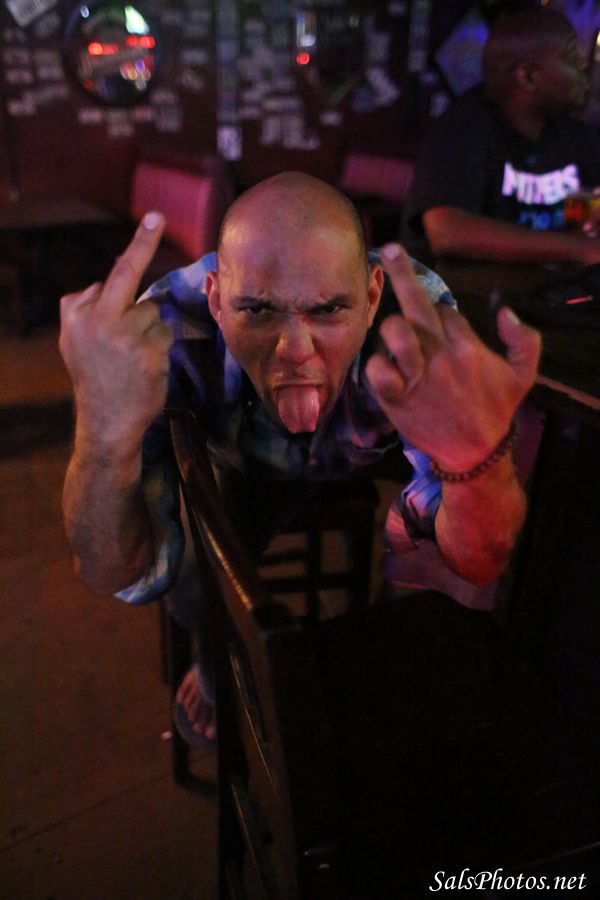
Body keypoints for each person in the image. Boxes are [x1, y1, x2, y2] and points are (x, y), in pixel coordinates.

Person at [59, 172, 540, 745]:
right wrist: (101, 431)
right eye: (258, 310)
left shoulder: (414, 321)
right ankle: (216, 655)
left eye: (329, 309)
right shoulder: (167, 327)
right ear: (215, 299)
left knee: (434, 577)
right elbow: (109, 569)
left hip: (367, 449)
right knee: (196, 572)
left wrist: (478, 459)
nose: (294, 350)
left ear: (372, 296)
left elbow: (478, 559)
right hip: (243, 461)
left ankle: (375, 655)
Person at [403, 7, 600, 267]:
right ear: (528, 77)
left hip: (547, 288)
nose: (584, 66)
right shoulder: (464, 128)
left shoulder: (573, 133)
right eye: (571, 59)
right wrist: (577, 248)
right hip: (460, 290)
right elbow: (448, 232)